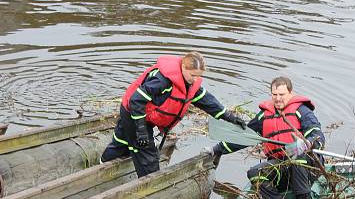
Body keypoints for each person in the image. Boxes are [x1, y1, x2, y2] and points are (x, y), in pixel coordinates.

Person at [101, 52, 246, 177]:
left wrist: (230, 117)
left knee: (120, 144)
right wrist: (141, 131)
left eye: (199, 76)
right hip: (133, 112)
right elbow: (136, 101)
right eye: (193, 75)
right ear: (183, 66)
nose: (196, 79)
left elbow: (209, 103)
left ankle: (102, 166)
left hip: (146, 114)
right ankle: (150, 185)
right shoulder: (162, 80)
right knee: (146, 154)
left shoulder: (189, 84)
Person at [212, 76, 325, 199]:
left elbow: (317, 134)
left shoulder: (302, 111)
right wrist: (218, 149)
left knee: (297, 154)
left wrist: (307, 143)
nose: (278, 99)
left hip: (308, 168)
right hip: (283, 166)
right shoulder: (265, 116)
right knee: (254, 174)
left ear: (291, 93)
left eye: (282, 95)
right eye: (274, 95)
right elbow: (245, 137)